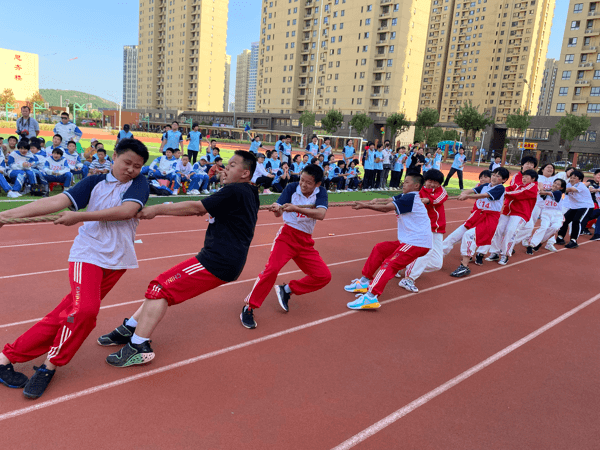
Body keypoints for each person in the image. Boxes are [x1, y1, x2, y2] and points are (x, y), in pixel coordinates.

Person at [0, 139, 149, 399]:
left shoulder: (139, 184)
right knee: (85, 311)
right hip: (87, 256)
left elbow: (127, 211)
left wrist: (79, 216)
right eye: (127, 163)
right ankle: (50, 366)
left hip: (117, 261)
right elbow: (55, 201)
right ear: (114, 157)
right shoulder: (94, 183)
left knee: (66, 314)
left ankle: (5, 357)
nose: (131, 170)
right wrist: (8, 216)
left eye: (137, 166)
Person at [98, 151, 260, 367]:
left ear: (245, 173)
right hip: (222, 258)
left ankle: (139, 346)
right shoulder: (248, 191)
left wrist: (156, 209)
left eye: (232, 165)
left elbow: (197, 208)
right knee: (160, 287)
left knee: (159, 289)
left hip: (218, 261)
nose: (225, 168)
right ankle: (131, 328)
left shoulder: (236, 190)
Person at [241, 164, 331, 328]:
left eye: (308, 183)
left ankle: (287, 290)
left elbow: (321, 214)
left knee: (323, 276)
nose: (303, 185)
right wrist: (277, 208)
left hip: (305, 242)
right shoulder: (291, 188)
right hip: (287, 237)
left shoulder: (321, 192)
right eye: (302, 180)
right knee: (272, 270)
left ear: (317, 184)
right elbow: (278, 212)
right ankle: (249, 307)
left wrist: (296, 208)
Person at [343, 173, 432, 309]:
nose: (403, 183)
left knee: (390, 263)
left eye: (407, 182)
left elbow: (386, 208)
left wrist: (365, 206)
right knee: (380, 248)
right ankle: (364, 282)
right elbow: (389, 200)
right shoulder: (405, 196)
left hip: (417, 242)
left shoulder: (410, 198)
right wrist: (375, 200)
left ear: (416, 186)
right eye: (404, 181)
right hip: (408, 240)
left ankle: (371, 297)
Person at [442, 167, 510, 276]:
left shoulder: (500, 188)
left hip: (489, 218)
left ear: (504, 179)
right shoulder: (485, 186)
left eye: (498, 176)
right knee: (454, 236)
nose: (494, 177)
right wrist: (464, 193)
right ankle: (436, 257)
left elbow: (484, 195)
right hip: (477, 215)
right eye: (493, 174)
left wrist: (467, 196)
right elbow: (473, 190)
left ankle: (464, 266)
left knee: (469, 236)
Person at [399, 169, 448, 292]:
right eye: (430, 181)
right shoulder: (418, 191)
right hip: (423, 228)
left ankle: (401, 264)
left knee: (437, 264)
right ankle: (409, 278)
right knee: (425, 253)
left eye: (435, 182)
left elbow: (438, 200)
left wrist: (427, 201)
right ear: (425, 180)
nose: (432, 184)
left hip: (437, 228)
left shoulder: (441, 191)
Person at [486, 169, 539, 265]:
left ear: (533, 178)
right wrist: (497, 190)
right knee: (498, 229)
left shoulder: (533, 186)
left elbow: (518, 194)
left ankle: (505, 254)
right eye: (523, 176)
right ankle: (495, 252)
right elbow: (507, 188)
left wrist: (503, 193)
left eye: (526, 177)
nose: (523, 178)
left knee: (510, 231)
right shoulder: (518, 185)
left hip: (520, 213)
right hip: (507, 211)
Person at [556, 169, 595, 248]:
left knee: (576, 221)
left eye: (574, 178)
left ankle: (573, 240)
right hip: (574, 207)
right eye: (571, 177)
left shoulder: (580, 185)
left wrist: (558, 189)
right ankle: (560, 237)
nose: (572, 179)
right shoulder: (568, 184)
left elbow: (570, 190)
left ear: (580, 179)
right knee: (565, 220)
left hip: (586, 206)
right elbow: (565, 190)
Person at [529, 179, 567, 251]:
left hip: (557, 214)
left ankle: (540, 242)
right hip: (546, 213)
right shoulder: (549, 191)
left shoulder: (558, 192)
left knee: (555, 228)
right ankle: (532, 244)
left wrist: (545, 190)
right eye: (554, 183)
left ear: (561, 188)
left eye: (558, 184)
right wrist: (544, 190)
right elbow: (541, 193)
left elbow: (544, 192)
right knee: (544, 227)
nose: (555, 185)